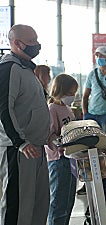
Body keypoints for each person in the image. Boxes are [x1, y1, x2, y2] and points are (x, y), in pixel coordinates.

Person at [0, 24, 50, 225]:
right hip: (19, 150)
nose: (36, 45)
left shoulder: (27, 70)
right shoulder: (8, 68)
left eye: (37, 40)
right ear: (16, 43)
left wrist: (46, 136)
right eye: (31, 41)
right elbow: (3, 109)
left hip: (36, 148)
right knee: (18, 206)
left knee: (38, 206)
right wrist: (19, 141)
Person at [79, 46, 106, 195]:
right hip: (91, 115)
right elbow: (85, 96)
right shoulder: (93, 74)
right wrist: (85, 113)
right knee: (87, 149)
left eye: (101, 55)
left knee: (105, 149)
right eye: (97, 55)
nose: (99, 58)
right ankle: (87, 182)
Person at [45, 74, 78, 225]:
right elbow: (48, 135)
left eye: (74, 94)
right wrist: (60, 143)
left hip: (71, 158)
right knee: (58, 202)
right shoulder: (52, 109)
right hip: (59, 160)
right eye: (70, 93)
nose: (72, 97)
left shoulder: (67, 108)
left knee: (68, 200)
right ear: (60, 91)